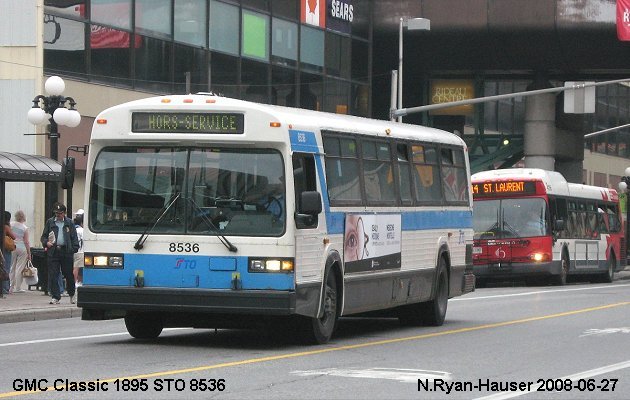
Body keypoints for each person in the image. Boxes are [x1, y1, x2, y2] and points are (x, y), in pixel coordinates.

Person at [40, 203, 79, 304]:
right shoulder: (50, 222)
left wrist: (73, 248)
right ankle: (55, 296)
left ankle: (71, 293)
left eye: (60, 213)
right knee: (53, 274)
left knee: (68, 274)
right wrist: (46, 243)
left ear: (64, 213)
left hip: (66, 251)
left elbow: (74, 237)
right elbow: (43, 236)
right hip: (53, 251)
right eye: (56, 213)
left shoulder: (69, 223)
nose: (58, 215)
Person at [9, 211, 31, 293]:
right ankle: (18, 287)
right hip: (22, 248)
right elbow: (26, 241)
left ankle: (10, 286)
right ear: (23, 217)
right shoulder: (24, 228)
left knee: (12, 267)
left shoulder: (11, 224)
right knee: (19, 268)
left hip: (12, 247)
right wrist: (29, 253)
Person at [2, 211, 16, 295]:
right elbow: (13, 237)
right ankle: (5, 287)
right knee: (6, 268)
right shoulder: (6, 227)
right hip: (6, 249)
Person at [72, 209, 84, 287]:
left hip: (73, 251)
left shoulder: (73, 229)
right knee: (77, 268)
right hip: (80, 251)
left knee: (75, 267)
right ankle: (75, 282)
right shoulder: (82, 230)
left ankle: (75, 282)